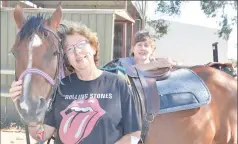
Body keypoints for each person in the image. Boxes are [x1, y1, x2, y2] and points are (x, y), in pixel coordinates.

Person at [9, 20, 141, 144]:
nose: (77, 52)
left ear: (93, 48)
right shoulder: (61, 88)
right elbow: (41, 135)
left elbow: (134, 134)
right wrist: (24, 108)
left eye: (81, 44)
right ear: (66, 57)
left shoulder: (118, 84)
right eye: (70, 49)